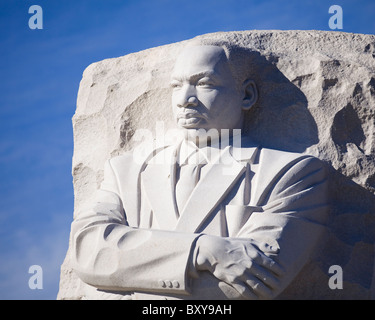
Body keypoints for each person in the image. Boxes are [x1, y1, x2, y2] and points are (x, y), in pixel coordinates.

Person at [71, 42, 329, 300]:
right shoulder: (126, 171)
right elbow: (89, 251)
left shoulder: (290, 174)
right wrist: (202, 249)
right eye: (176, 86)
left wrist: (125, 280)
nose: (185, 100)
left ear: (247, 95)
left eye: (204, 84)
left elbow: (253, 284)